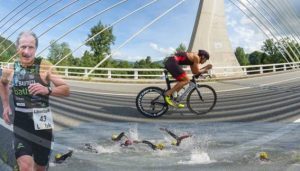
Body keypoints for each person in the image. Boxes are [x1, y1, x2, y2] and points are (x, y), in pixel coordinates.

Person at [0, 31, 70, 171]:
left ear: (36, 49)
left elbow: (66, 89)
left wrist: (47, 90)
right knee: (25, 166)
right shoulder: (11, 69)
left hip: (42, 123)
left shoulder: (45, 66)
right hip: (21, 122)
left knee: (40, 167)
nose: (26, 51)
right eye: (23, 47)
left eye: (31, 47)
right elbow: (2, 83)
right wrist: (6, 105)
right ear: (17, 48)